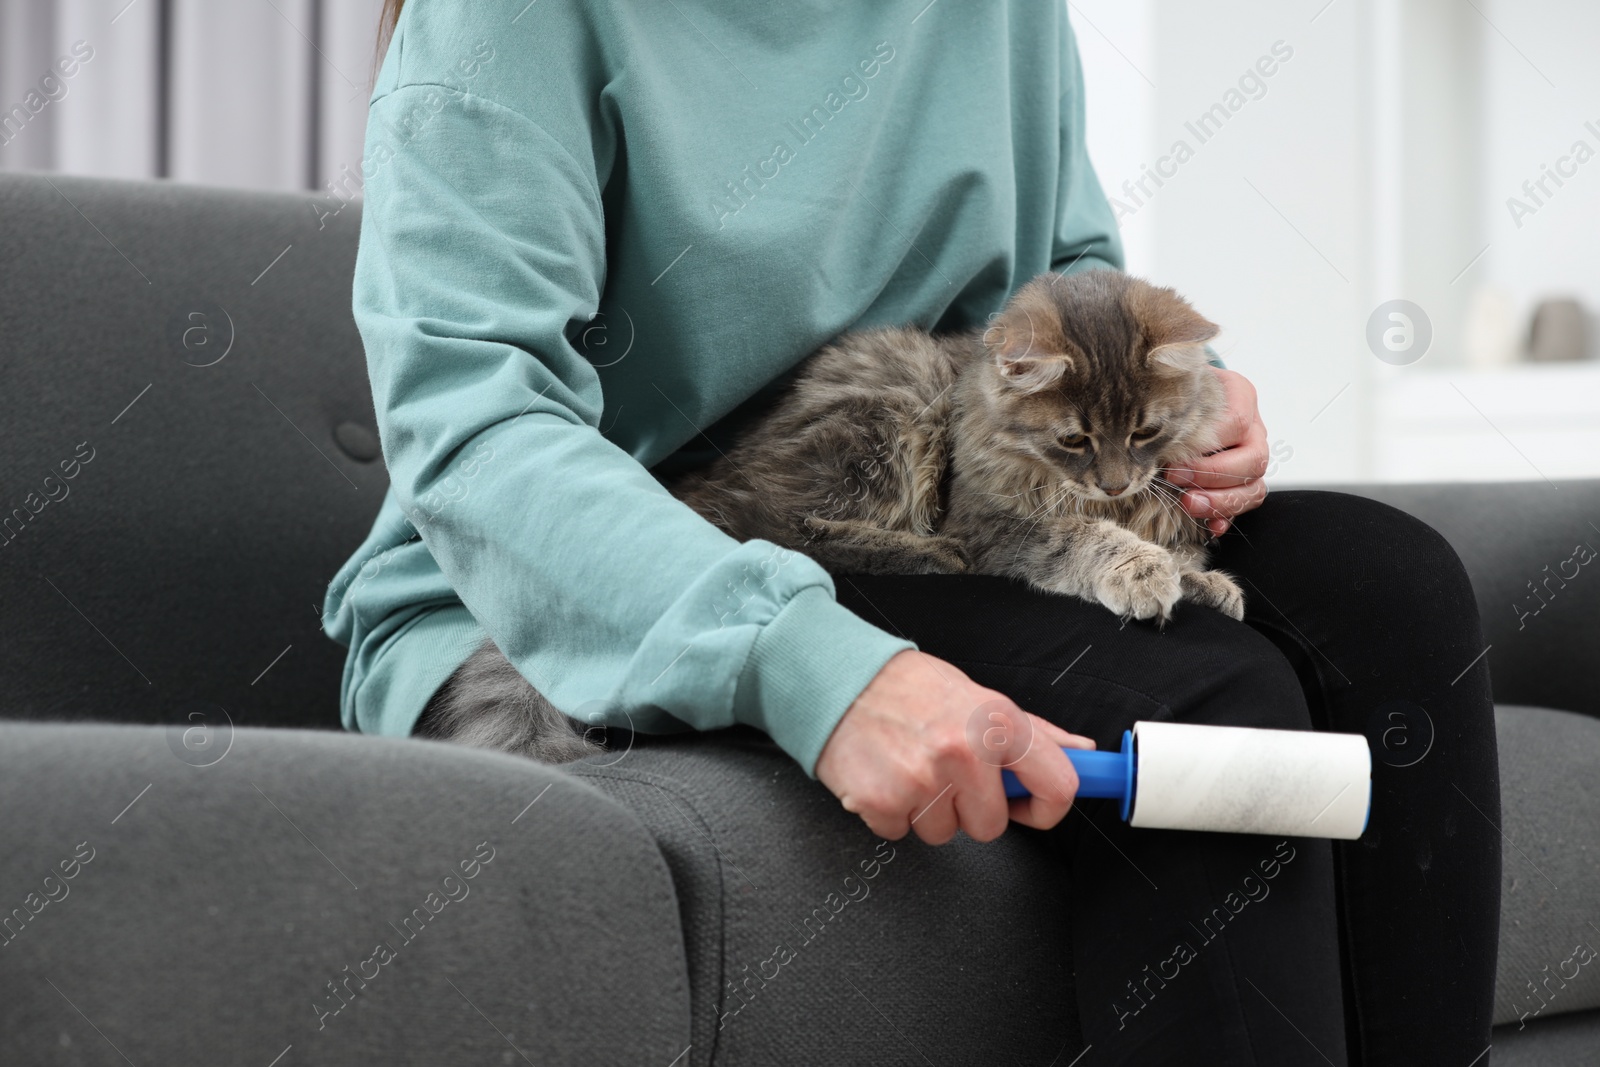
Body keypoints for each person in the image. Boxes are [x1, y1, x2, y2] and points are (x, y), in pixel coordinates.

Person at [322, 2, 1501, 1062]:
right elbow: (475, 426)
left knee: (1394, 592)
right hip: (629, 553)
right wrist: (816, 666)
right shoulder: (506, 21)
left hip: (952, 474)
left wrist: (1179, 394)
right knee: (1200, 690)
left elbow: (1062, 277)